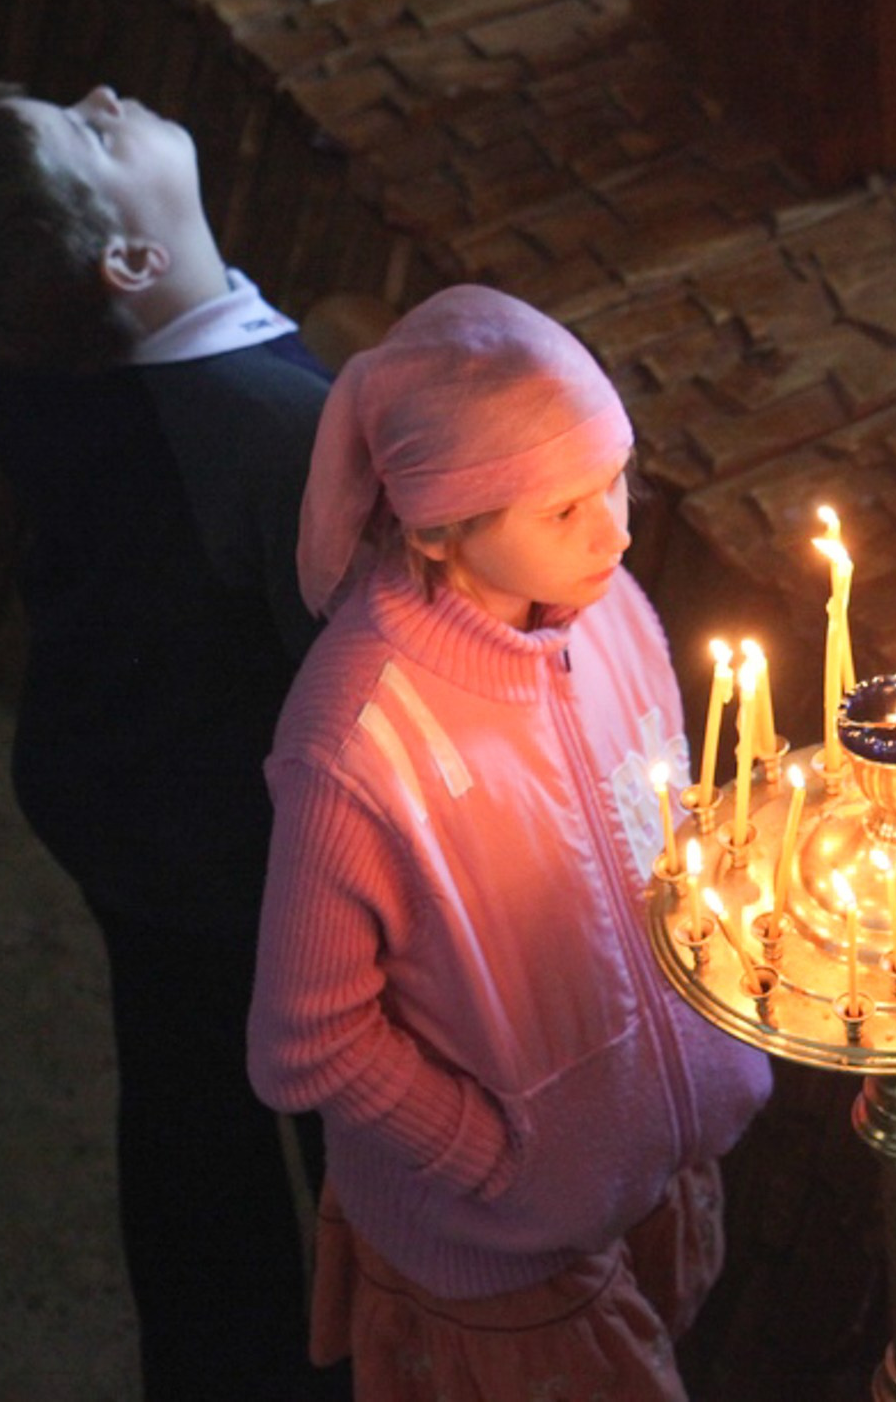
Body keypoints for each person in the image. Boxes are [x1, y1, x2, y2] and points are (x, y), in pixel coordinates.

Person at [0, 81, 338, 1400]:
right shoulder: (279, 438)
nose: (104, 97)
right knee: (339, 1120)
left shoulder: (34, 352)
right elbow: (341, 672)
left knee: (185, 1113)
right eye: (85, 131)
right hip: (246, 856)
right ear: (131, 261)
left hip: (110, 790)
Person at [247, 282, 773, 1401]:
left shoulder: (613, 610)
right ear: (440, 528)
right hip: (500, 1253)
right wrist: (503, 1164)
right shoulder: (357, 740)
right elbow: (307, 1041)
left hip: (654, 1166)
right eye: (565, 507)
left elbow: (659, 827)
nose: (618, 527)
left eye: (614, 476)